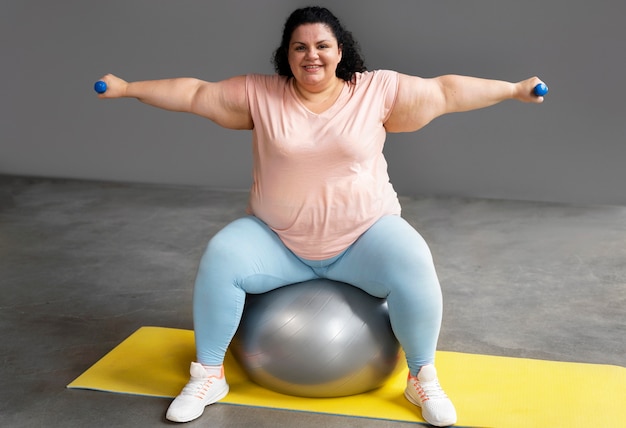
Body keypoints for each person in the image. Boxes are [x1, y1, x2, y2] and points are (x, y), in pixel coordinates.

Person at [96, 6, 545, 427]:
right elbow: (195, 92)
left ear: (340, 51)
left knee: (413, 259)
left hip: (364, 238)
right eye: (300, 47)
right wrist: (127, 88)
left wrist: (513, 90)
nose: (312, 55)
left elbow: (445, 91)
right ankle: (209, 375)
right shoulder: (261, 93)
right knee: (222, 255)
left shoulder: (376, 90)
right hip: (276, 241)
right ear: (286, 55)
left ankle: (421, 380)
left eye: (322, 46)